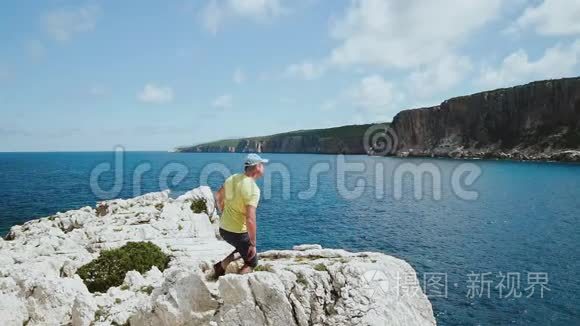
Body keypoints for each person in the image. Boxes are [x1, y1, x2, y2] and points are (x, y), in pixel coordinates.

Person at [213, 153, 268, 277]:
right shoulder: (253, 190)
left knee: (241, 248)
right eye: (262, 164)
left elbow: (218, 196)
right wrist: (253, 243)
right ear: (257, 167)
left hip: (223, 229)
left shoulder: (232, 178)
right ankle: (235, 283)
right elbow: (250, 219)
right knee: (251, 262)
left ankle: (220, 267)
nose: (264, 167)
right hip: (237, 232)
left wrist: (223, 211)